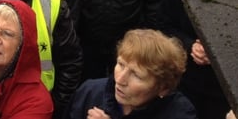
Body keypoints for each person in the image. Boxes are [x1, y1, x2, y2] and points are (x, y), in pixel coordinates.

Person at [170, 0, 238, 118]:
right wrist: (191, 45)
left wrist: (216, 49)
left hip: (225, 85)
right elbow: (166, 24)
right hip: (186, 77)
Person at [65, 29, 196, 119]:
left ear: (163, 88)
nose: (120, 80)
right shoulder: (90, 92)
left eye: (136, 75)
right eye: (121, 65)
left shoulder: (180, 113)